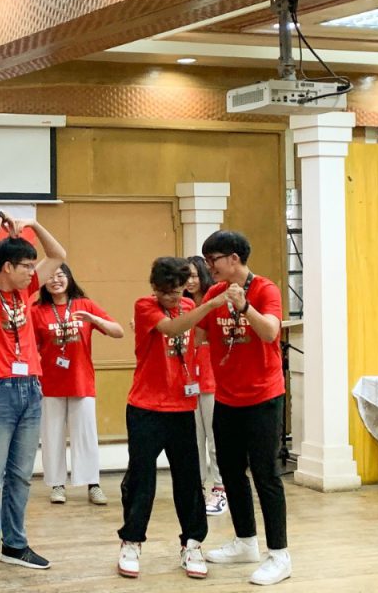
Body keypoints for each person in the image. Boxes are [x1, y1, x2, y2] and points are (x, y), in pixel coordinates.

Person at [116, 257, 227, 580]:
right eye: (166, 293)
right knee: (141, 480)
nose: (172, 298)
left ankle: (192, 544)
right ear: (155, 288)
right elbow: (172, 328)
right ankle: (132, 541)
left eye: (177, 292)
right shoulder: (144, 306)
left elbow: (198, 334)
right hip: (146, 408)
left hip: (181, 408)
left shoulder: (188, 306)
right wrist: (211, 304)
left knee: (189, 481)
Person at [0, 211, 65, 580]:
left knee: (21, 476)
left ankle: (14, 545)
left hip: (31, 389)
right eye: (25, 266)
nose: (32, 272)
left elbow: (58, 255)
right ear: (7, 267)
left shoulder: (23, 291)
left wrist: (32, 225)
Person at [197, 231, 290, 586]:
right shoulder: (213, 294)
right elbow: (200, 336)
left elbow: (270, 333)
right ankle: (246, 542)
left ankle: (279, 555)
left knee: (266, 475)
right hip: (227, 398)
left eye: (213, 259)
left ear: (233, 258)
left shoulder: (265, 289)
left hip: (263, 398)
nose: (209, 266)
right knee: (232, 473)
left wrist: (245, 307)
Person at [31, 263, 123, 506]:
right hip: (50, 383)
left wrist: (94, 319)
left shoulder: (85, 304)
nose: (55, 280)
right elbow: (29, 346)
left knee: (86, 436)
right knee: (52, 436)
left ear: (69, 278)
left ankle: (93, 484)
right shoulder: (36, 310)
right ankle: (57, 485)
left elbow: (118, 331)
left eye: (60, 275)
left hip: (81, 381)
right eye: (50, 277)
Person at [185, 256, 228, 517]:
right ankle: (197, 488)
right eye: (185, 276)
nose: (190, 281)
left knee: (215, 438)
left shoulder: (215, 303)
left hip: (212, 378)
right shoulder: (181, 305)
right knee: (194, 438)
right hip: (188, 379)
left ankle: (220, 489)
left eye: (194, 275)